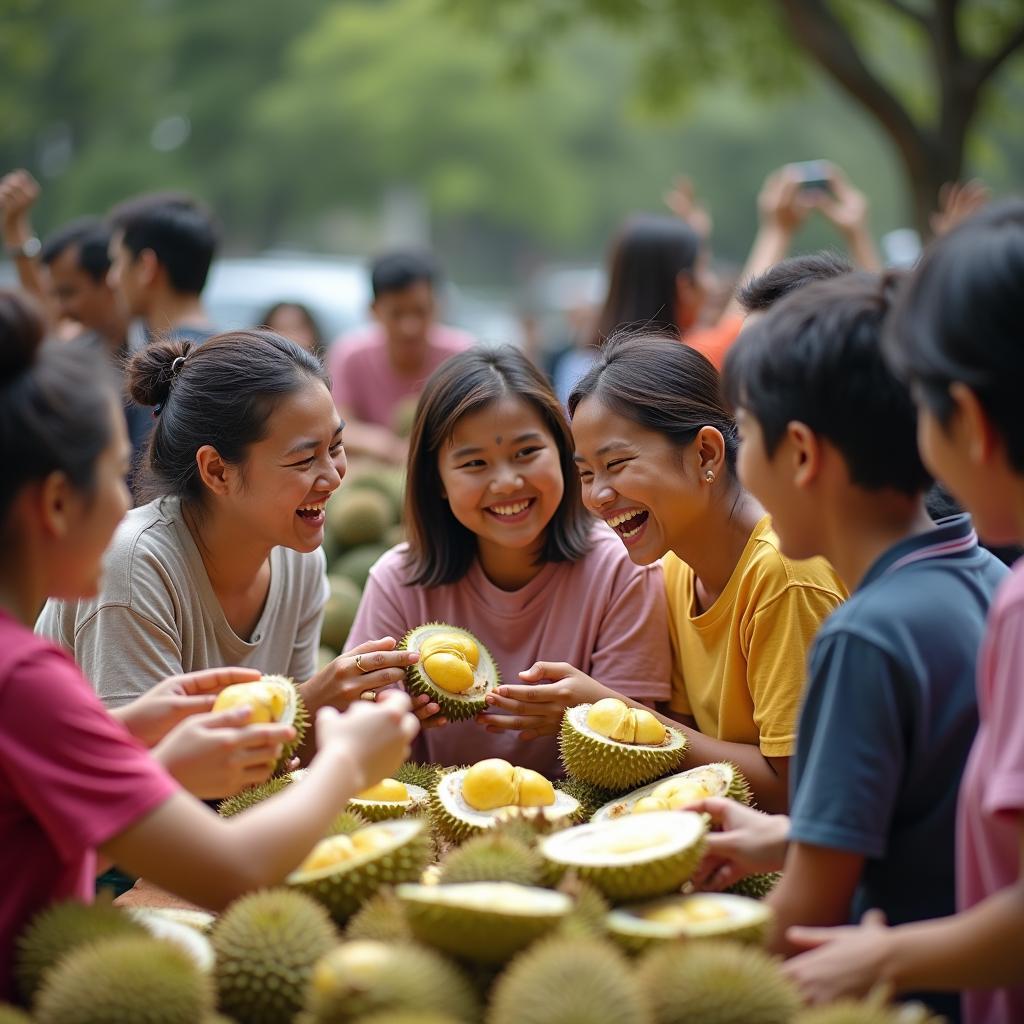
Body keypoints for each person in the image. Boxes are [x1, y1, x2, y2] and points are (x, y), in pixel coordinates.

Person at [0, 288, 419, 1000]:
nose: (126, 497)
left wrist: (143, 735)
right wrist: (346, 760)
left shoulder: (300, 554)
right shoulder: (38, 665)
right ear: (56, 505)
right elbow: (221, 866)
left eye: (337, 446)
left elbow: (68, 777)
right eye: (111, 472)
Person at [700, 272, 1007, 1020]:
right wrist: (788, 836)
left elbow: (808, 911)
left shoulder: (862, 637)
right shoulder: (987, 577)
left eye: (743, 431)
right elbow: (922, 814)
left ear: (800, 453)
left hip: (909, 996)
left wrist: (668, 976)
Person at [778, 201, 1024, 1024]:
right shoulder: (989, 575)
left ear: (974, 423)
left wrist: (885, 954)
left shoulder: (884, 630)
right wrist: (789, 834)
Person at [484, 336, 845, 811]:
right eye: (587, 474)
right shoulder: (674, 566)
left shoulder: (784, 575)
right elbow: (687, 741)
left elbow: (794, 788)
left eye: (616, 464)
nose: (598, 496)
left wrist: (602, 708)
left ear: (706, 454)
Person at [37, 328, 424, 735]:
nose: (333, 477)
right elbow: (141, 780)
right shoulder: (135, 565)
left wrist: (361, 715)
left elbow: (281, 762)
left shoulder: (299, 558)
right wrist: (310, 704)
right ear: (217, 471)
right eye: (305, 459)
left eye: (336, 447)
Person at [344, 345, 672, 776]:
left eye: (525, 452)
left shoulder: (623, 571)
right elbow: (356, 735)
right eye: (475, 463)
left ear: (563, 452)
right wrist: (389, 719)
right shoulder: (396, 580)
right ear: (437, 480)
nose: (507, 482)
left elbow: (632, 754)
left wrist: (583, 716)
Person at [327, 250, 475, 465]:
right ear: (374, 310)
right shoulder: (350, 355)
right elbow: (336, 426)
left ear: (437, 306)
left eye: (420, 311)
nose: (409, 327)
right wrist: (385, 446)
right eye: (397, 314)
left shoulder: (462, 356)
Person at [106, 191, 220, 344]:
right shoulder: (227, 355)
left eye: (118, 262)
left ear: (146, 267)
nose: (112, 280)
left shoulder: (172, 363)